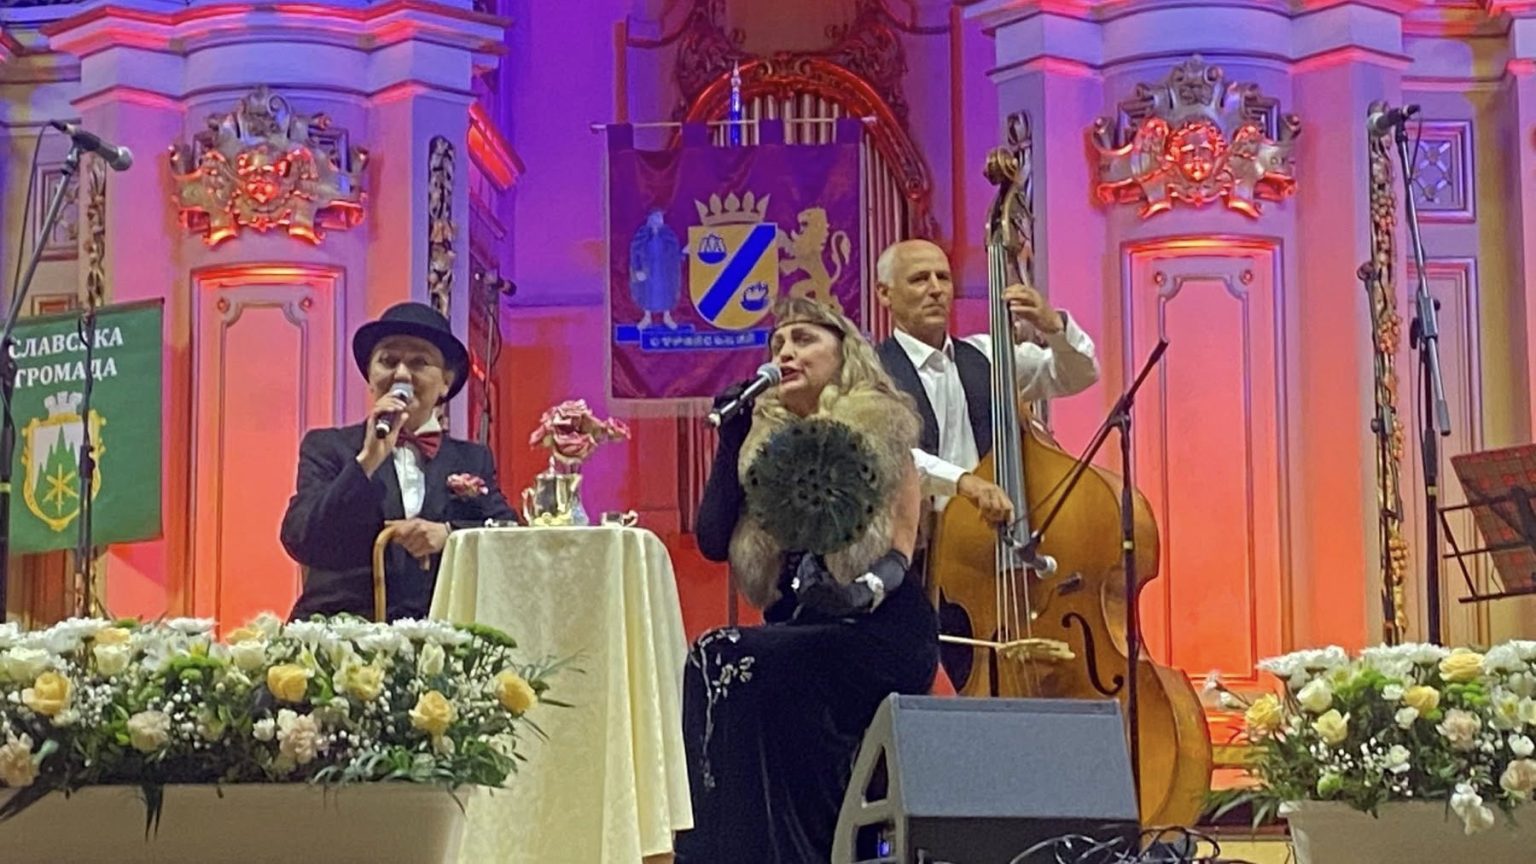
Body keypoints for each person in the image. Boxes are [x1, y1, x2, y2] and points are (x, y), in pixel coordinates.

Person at [676, 298, 938, 864]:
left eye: (804, 340)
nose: (786, 353)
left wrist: (859, 591)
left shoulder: (882, 426)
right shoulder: (761, 440)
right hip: (799, 631)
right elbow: (713, 541)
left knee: (728, 653)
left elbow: (900, 549)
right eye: (778, 344)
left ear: (844, 352)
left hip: (877, 629)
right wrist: (731, 442)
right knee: (715, 660)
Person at [872, 239, 1099, 686]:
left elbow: (1077, 374)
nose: (936, 289)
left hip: (997, 549)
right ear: (885, 294)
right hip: (921, 552)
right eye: (919, 279)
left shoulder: (988, 355)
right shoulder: (872, 372)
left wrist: (1054, 327)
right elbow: (893, 455)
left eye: (943, 277)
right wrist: (965, 483)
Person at [281, 302, 517, 621]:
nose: (402, 375)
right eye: (388, 361)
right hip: (343, 631)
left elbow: (509, 535)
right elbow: (301, 539)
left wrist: (449, 534)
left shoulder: (472, 458)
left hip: (441, 632)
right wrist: (366, 462)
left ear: (446, 382)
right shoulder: (327, 446)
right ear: (370, 376)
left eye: (419, 362)